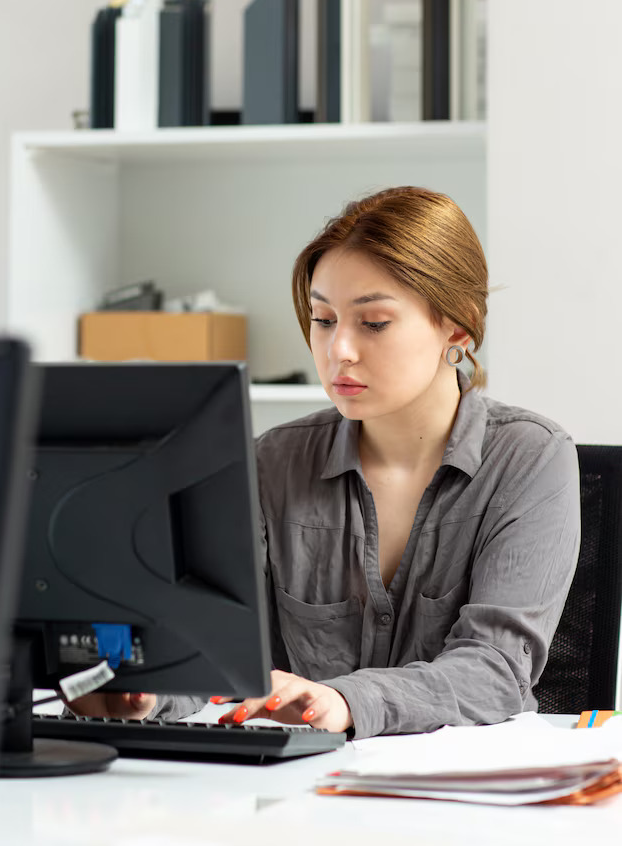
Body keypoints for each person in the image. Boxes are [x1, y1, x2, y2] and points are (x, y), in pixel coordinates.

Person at [68, 185, 580, 738]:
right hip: (300, 792)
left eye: (374, 322)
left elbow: (496, 669)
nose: (339, 350)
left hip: (465, 804)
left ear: (457, 326)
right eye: (324, 319)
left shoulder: (532, 458)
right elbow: (221, 650)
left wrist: (345, 700)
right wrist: (144, 695)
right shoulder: (273, 460)